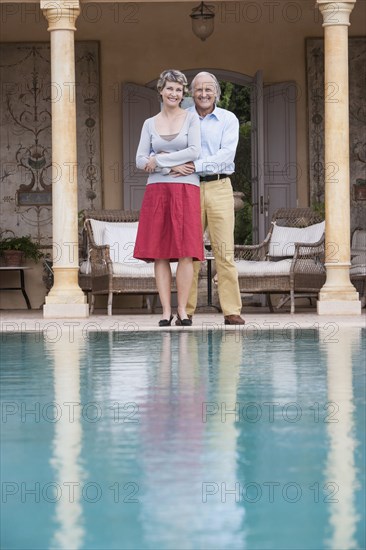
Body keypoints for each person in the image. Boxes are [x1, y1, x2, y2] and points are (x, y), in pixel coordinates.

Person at [171, 71, 245, 325]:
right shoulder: (182, 119)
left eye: (208, 89)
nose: (203, 94)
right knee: (190, 253)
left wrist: (194, 164)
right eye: (199, 89)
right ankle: (185, 310)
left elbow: (226, 156)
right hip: (189, 187)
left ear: (217, 93)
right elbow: (173, 151)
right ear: (191, 93)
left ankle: (232, 311)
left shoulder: (228, 119)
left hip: (220, 186)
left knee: (225, 251)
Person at [133, 69, 204, 327]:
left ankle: (183, 311)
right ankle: (165, 312)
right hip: (157, 190)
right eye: (170, 88)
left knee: (186, 252)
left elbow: (194, 151)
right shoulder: (149, 124)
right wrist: (170, 167)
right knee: (160, 253)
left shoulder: (191, 119)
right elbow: (140, 160)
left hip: (186, 189)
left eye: (178, 89)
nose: (174, 93)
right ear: (161, 91)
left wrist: (159, 160)